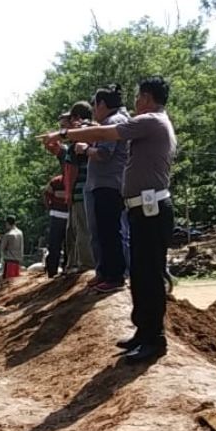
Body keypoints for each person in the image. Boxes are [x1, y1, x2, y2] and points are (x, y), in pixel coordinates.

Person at [45, 76, 178, 363]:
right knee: (141, 275)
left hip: (151, 208)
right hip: (141, 208)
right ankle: (144, 333)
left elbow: (108, 134)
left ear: (146, 97)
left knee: (150, 277)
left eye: (138, 97)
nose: (134, 102)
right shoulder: (150, 123)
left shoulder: (152, 121)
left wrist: (66, 135)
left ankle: (154, 338)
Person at [86, 85, 130, 294]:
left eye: (94, 105)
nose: (93, 109)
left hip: (110, 184)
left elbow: (104, 154)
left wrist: (86, 149)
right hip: (103, 184)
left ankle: (115, 276)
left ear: (102, 104)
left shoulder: (113, 123)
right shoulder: (109, 122)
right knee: (103, 231)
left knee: (111, 232)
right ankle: (105, 272)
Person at [59, 102, 95, 274]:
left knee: (81, 229)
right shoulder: (96, 133)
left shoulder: (78, 143)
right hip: (93, 190)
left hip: (81, 192)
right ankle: (76, 263)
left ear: (76, 119)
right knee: (81, 229)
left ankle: (85, 265)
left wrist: (69, 193)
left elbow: (72, 170)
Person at [43, 173, 70, 278]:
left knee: (54, 245)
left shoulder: (55, 181)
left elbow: (46, 194)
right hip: (68, 216)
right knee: (68, 245)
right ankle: (65, 268)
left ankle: (52, 270)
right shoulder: (60, 181)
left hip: (56, 215)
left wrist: (49, 207)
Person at [1, 216, 25, 282]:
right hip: (17, 261)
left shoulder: (8, 235)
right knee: (16, 283)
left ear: (8, 223)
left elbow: (2, 248)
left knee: (8, 283)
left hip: (9, 262)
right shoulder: (20, 232)